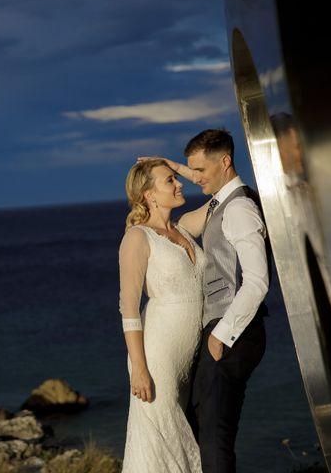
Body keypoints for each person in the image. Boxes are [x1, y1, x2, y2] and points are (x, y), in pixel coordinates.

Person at [154, 129, 270, 473]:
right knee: (200, 425)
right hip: (225, 330)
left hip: (233, 332)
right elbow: (201, 184)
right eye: (191, 172)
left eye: (199, 171)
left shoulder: (240, 210)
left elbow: (258, 283)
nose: (194, 179)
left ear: (225, 162)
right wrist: (178, 165)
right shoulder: (224, 200)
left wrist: (221, 336)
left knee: (214, 438)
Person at [119, 158, 210, 473]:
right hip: (156, 358)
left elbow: (225, 196)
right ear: (149, 195)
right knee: (163, 443)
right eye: (170, 180)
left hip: (186, 355)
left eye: (176, 178)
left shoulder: (183, 226)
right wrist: (139, 369)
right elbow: (129, 310)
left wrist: (177, 166)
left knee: (172, 438)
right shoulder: (137, 237)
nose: (179, 184)